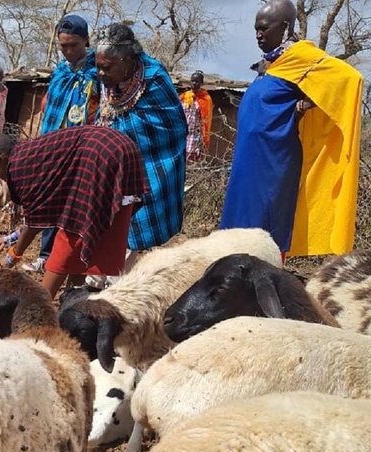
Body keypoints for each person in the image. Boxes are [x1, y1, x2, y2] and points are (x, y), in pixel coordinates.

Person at [221, 0, 363, 259]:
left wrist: (302, 106)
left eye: (264, 28)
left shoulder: (302, 57)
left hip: (275, 160)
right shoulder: (274, 62)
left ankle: (266, 277)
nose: (258, 35)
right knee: (239, 225)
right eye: (256, 29)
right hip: (249, 156)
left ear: (285, 26)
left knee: (265, 225)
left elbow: (349, 79)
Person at [0, 126, 148, 298]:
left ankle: (39, 309)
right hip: (120, 150)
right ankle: (74, 300)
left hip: (100, 155)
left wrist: (12, 257)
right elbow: (40, 217)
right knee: (85, 240)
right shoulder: (27, 155)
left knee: (71, 238)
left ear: (1, 159)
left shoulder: (18, 168)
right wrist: (9, 239)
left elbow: (33, 224)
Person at [95, 23, 187, 269]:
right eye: (98, 68)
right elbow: (104, 114)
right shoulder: (106, 81)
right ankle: (98, 276)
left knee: (130, 228)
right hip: (111, 164)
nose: (101, 74)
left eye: (106, 68)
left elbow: (173, 128)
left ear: (126, 61)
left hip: (148, 164)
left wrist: (123, 143)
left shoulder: (154, 78)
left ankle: (119, 278)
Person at [24, 13, 101, 274]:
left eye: (73, 45)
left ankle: (71, 261)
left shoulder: (98, 73)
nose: (68, 51)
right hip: (53, 149)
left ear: (86, 41)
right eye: (63, 46)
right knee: (49, 202)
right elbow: (49, 113)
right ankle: (45, 256)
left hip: (81, 152)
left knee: (73, 208)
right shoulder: (59, 72)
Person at [179, 70, 213, 162]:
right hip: (181, 135)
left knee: (192, 162)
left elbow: (206, 121)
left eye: (197, 81)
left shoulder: (205, 99)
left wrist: (202, 140)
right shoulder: (183, 97)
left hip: (195, 137)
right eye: (192, 81)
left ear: (201, 83)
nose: (194, 83)